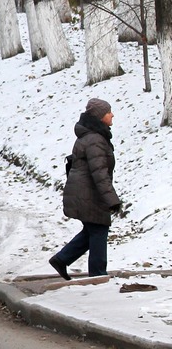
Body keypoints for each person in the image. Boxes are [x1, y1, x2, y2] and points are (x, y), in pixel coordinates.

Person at [49, 98, 121, 280]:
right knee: (98, 229)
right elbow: (100, 173)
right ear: (99, 116)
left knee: (92, 230)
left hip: (86, 191)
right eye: (108, 112)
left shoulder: (93, 137)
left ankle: (62, 259)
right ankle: (98, 276)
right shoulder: (95, 140)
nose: (112, 115)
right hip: (89, 193)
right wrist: (112, 199)